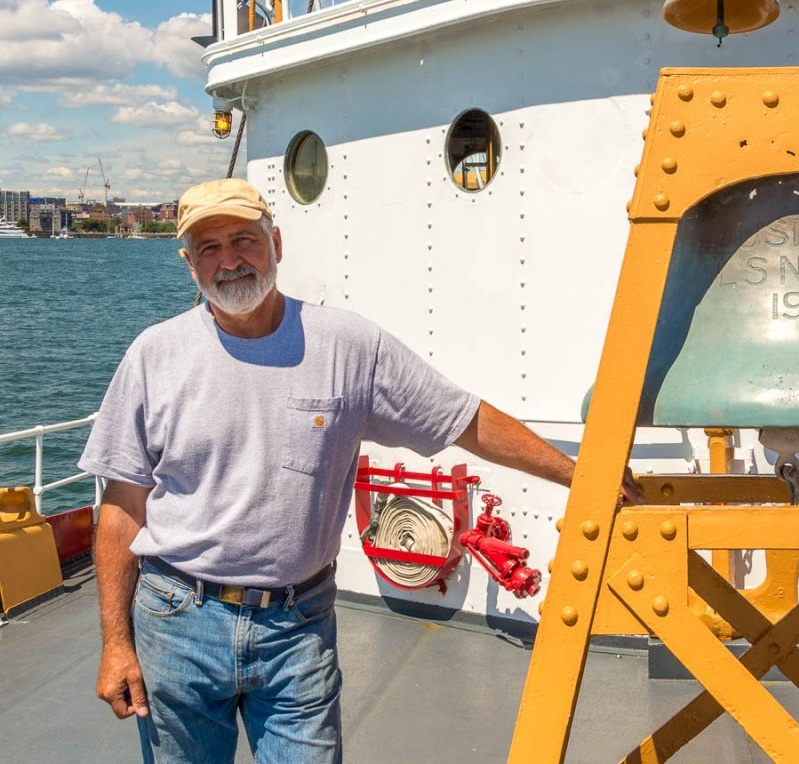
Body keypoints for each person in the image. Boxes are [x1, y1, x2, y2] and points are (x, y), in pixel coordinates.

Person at [82, 178, 638, 763]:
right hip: (177, 621)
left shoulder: (347, 345)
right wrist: (116, 643)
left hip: (296, 627)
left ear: (276, 241)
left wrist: (579, 474)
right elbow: (123, 506)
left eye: (243, 240)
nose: (230, 260)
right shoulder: (154, 354)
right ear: (189, 264)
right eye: (210, 247)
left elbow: (463, 419)